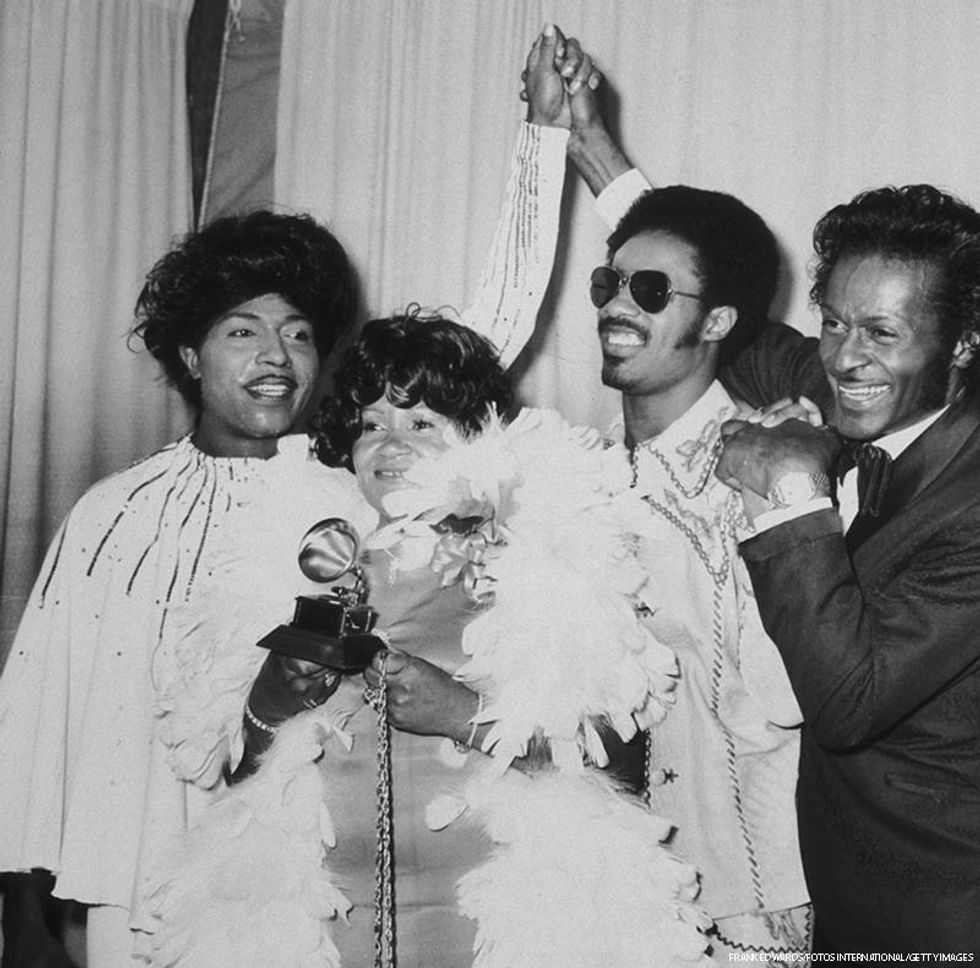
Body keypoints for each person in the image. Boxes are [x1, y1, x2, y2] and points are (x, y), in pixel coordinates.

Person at [0, 86, 577, 966]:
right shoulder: (110, 516)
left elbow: (483, 340)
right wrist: (23, 923)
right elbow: (35, 733)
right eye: (242, 331)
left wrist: (544, 140)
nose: (274, 358)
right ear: (190, 355)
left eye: (298, 334)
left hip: (305, 900)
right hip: (134, 890)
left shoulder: (359, 495)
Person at [140, 310, 710, 968]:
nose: (389, 444)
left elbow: (618, 764)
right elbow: (241, 778)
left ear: (478, 440)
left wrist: (462, 715)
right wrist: (272, 699)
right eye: (371, 425)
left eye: (420, 424)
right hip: (325, 925)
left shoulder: (537, 557)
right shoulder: (303, 555)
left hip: (502, 927)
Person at [522, 29, 815, 959]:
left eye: (650, 290)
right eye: (610, 281)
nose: (618, 303)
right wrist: (583, 142)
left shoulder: (764, 472)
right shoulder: (589, 479)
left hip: (755, 901)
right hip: (630, 897)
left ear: (720, 322)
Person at [715, 185, 980, 953]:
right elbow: (745, 335)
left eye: (879, 332)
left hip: (942, 920)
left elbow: (849, 702)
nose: (841, 357)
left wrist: (791, 492)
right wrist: (593, 150)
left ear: (964, 341)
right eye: (830, 321)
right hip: (849, 902)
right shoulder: (872, 383)